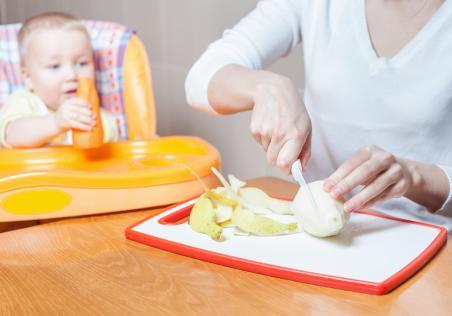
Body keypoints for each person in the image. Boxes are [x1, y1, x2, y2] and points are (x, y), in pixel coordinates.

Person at [185, 0, 452, 231]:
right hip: (322, 239)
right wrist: (265, 87)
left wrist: (414, 177)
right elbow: (201, 78)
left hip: (432, 248)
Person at [0, 12, 119, 149]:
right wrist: (56, 123)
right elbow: (11, 136)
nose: (71, 75)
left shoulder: (97, 113)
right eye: (55, 66)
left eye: (81, 63)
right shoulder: (25, 101)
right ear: (28, 78)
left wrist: (90, 124)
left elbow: (112, 150)